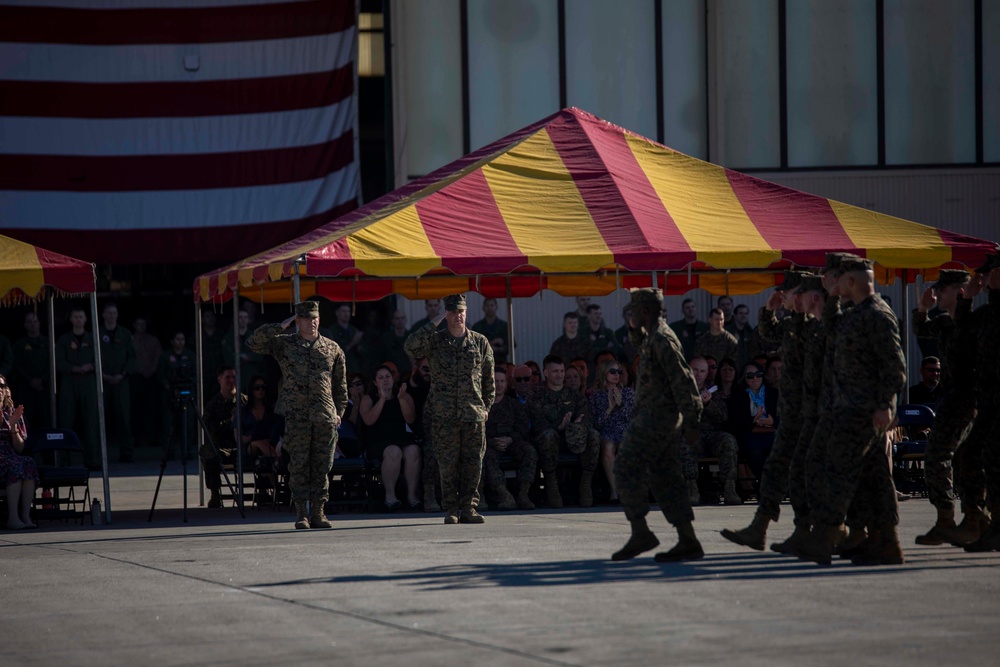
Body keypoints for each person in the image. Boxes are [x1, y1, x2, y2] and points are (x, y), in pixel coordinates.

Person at [797, 256, 907, 566]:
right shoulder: (852, 313)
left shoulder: (877, 315)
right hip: (848, 408)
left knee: (838, 471)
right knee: (875, 477)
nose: (832, 286)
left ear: (852, 282)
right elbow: (830, 327)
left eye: (837, 281)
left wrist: (886, 404)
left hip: (863, 411)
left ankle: (826, 536)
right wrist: (831, 298)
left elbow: (895, 366)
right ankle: (887, 540)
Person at [611, 288, 704, 562]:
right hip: (654, 416)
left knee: (624, 466)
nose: (632, 313)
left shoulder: (663, 339)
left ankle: (641, 531)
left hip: (657, 417)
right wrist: (633, 328)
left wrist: (693, 419)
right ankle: (688, 539)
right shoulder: (652, 336)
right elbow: (642, 348)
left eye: (635, 310)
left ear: (647, 312)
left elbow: (683, 379)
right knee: (665, 477)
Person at [722, 271, 809, 552]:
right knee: (777, 469)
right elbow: (768, 331)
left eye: (789, 293)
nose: (785, 298)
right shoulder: (794, 324)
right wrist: (769, 309)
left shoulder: (822, 325)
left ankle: (839, 529)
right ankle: (761, 528)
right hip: (794, 410)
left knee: (813, 471)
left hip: (815, 410)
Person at [247, 301, 348, 530]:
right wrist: (280, 326)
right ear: (298, 321)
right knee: (300, 465)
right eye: (306, 318)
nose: (311, 322)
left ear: (319, 320)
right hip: (296, 416)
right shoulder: (285, 344)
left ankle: (319, 512)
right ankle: (302, 513)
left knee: (322, 466)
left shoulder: (332, 348)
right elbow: (253, 342)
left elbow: (341, 386)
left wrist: (339, 412)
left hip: (324, 417)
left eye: (315, 318)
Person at [405, 293, 495, 524]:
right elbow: (411, 345)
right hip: (444, 415)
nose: (458, 316)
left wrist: (486, 407)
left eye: (461, 312)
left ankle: (469, 508)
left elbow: (488, 379)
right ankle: (452, 509)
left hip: (473, 414)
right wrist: (435, 321)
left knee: (473, 463)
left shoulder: (479, 342)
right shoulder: (435, 341)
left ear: (466, 313)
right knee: (447, 464)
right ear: (447, 314)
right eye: (453, 312)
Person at [912, 269, 984, 547]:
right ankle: (970, 520)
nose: (937, 293)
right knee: (963, 459)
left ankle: (955, 518)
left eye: (943, 289)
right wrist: (922, 308)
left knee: (939, 455)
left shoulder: (976, 323)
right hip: (951, 399)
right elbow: (921, 328)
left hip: (968, 400)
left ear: (959, 291)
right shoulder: (943, 322)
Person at [527, 355, 600, 508]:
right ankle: (552, 483)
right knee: (548, 435)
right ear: (546, 373)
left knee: (593, 434)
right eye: (555, 372)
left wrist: (578, 425)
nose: (560, 375)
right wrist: (559, 426)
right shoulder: (537, 396)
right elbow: (537, 424)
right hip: (550, 442)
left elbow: (587, 416)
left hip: (573, 440)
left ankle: (586, 482)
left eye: (561, 371)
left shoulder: (574, 394)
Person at [680, 357, 742, 505]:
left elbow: (723, 417)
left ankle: (729, 488)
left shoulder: (714, 391)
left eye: (702, 371)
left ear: (707, 373)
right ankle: (691, 488)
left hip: (713, 436)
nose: (699, 374)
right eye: (695, 370)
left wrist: (708, 404)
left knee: (728, 440)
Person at [360, 365, 420, 511]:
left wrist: (401, 399)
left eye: (387, 376)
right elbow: (369, 420)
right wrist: (382, 399)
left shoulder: (404, 396)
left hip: (402, 438)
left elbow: (410, 419)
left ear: (393, 379)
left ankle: (412, 496)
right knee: (393, 451)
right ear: (375, 382)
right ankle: (390, 497)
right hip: (379, 441)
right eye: (380, 378)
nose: (385, 380)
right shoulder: (368, 399)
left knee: (413, 450)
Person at [483, 369, 537, 510]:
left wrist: (510, 439)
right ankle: (504, 495)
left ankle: (523, 494)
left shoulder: (514, 405)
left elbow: (523, 428)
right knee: (486, 455)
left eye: (502, 381)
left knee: (529, 451)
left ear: (507, 384)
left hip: (512, 443)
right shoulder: (482, 406)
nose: (499, 384)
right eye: (495, 381)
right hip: (490, 444)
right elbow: (476, 431)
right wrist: (491, 442)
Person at [55, 307, 101, 470]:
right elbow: (58, 362)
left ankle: (93, 460)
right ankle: (65, 460)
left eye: (81, 317)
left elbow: (102, 360)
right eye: (75, 317)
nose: (78, 320)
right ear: (71, 319)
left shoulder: (93, 337)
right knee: (66, 420)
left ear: (86, 319)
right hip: (69, 381)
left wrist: (91, 366)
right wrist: (74, 368)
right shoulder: (63, 340)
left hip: (88, 381)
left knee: (91, 421)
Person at [590, 358, 634, 503]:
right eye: (613, 371)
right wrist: (609, 408)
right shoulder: (596, 396)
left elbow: (631, 418)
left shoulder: (628, 393)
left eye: (619, 372)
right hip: (606, 431)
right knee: (608, 447)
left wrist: (620, 404)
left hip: (625, 430)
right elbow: (596, 424)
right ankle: (615, 491)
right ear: (604, 373)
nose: (617, 375)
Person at [98, 302, 137, 463]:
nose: (111, 316)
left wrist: (123, 373)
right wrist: (102, 374)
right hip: (103, 381)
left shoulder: (125, 333)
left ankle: (127, 452)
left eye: (114, 313)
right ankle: (99, 454)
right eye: (108, 313)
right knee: (99, 418)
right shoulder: (98, 332)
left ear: (117, 315)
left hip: (121, 381)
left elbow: (132, 356)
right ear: (103, 315)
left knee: (124, 418)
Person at [201, 365, 243, 508]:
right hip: (222, 445)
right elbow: (210, 429)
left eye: (234, 377)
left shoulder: (244, 401)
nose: (231, 380)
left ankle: (262, 490)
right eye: (228, 377)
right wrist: (229, 423)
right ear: (219, 379)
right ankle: (215, 494)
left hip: (243, 444)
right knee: (207, 451)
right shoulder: (212, 405)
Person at [1, 376, 39, 529]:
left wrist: (13, 427)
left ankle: (25, 516)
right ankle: (13, 517)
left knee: (27, 463)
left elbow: (19, 448)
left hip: (10, 455)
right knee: (15, 465)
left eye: (2, 386)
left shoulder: (11, 413)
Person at [156, 330, 196, 459]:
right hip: (170, 396)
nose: (180, 341)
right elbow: (160, 376)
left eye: (182, 339)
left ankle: (188, 452)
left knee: (188, 425)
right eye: (177, 339)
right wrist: (171, 389)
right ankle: (169, 452)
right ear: (172, 341)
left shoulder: (190, 355)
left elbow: (196, 375)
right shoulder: (165, 356)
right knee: (168, 425)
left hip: (187, 395)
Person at [11, 312, 50, 430]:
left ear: (39, 323)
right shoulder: (19, 344)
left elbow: (53, 364)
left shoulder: (48, 342)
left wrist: (42, 379)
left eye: (35, 321)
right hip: (26, 388)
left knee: (46, 419)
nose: (33, 325)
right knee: (26, 421)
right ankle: (27, 447)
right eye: (29, 322)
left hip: (44, 388)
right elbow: (16, 365)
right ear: (25, 325)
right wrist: (30, 380)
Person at [131, 315, 162, 447]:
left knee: (151, 408)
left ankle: (152, 437)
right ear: (134, 325)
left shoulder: (153, 340)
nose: (141, 327)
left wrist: (151, 370)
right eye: (139, 324)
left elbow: (158, 357)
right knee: (134, 409)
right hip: (135, 378)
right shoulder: (129, 339)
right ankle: (135, 438)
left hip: (150, 378)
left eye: (143, 324)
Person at [221, 308, 267, 393]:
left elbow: (260, 353)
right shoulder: (229, 337)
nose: (243, 319)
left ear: (248, 320)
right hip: (236, 376)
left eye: (245, 317)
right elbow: (228, 356)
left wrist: (249, 357)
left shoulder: (254, 336)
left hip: (252, 374)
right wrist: (240, 358)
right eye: (240, 317)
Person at [238, 375, 277, 460]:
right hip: (249, 447)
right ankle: (276, 459)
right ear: (251, 389)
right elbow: (238, 438)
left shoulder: (271, 411)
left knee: (264, 443)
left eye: (263, 387)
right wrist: (250, 437)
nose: (260, 390)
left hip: (269, 443)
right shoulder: (243, 411)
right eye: (257, 387)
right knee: (259, 442)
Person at [325, 303, 364, 374]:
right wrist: (353, 342)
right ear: (337, 313)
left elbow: (361, 352)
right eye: (343, 311)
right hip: (340, 369)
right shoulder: (332, 331)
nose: (346, 314)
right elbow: (335, 353)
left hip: (354, 368)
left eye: (348, 311)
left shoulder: (354, 330)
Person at [471, 298, 511, 365]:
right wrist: (493, 343)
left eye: (492, 305)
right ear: (483, 308)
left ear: (496, 307)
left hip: (500, 364)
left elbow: (511, 347)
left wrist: (498, 349)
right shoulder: (477, 327)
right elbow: (473, 347)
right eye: (487, 306)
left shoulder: (504, 326)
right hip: (483, 364)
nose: (489, 308)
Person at [379, 310, 413, 379]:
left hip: (407, 375)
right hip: (390, 374)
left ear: (405, 320)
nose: (400, 320)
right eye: (397, 318)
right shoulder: (385, 338)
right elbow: (380, 358)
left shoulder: (411, 337)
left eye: (402, 318)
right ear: (393, 321)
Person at [725, 304, 758, 370]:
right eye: (741, 313)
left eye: (746, 313)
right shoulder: (727, 332)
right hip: (731, 369)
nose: (743, 316)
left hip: (746, 369)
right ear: (735, 315)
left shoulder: (750, 333)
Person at [583, 304, 616, 369]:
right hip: (589, 369)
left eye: (600, 313)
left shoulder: (608, 333)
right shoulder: (582, 333)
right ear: (588, 315)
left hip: (607, 368)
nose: (598, 316)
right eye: (595, 313)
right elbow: (583, 353)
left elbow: (614, 350)